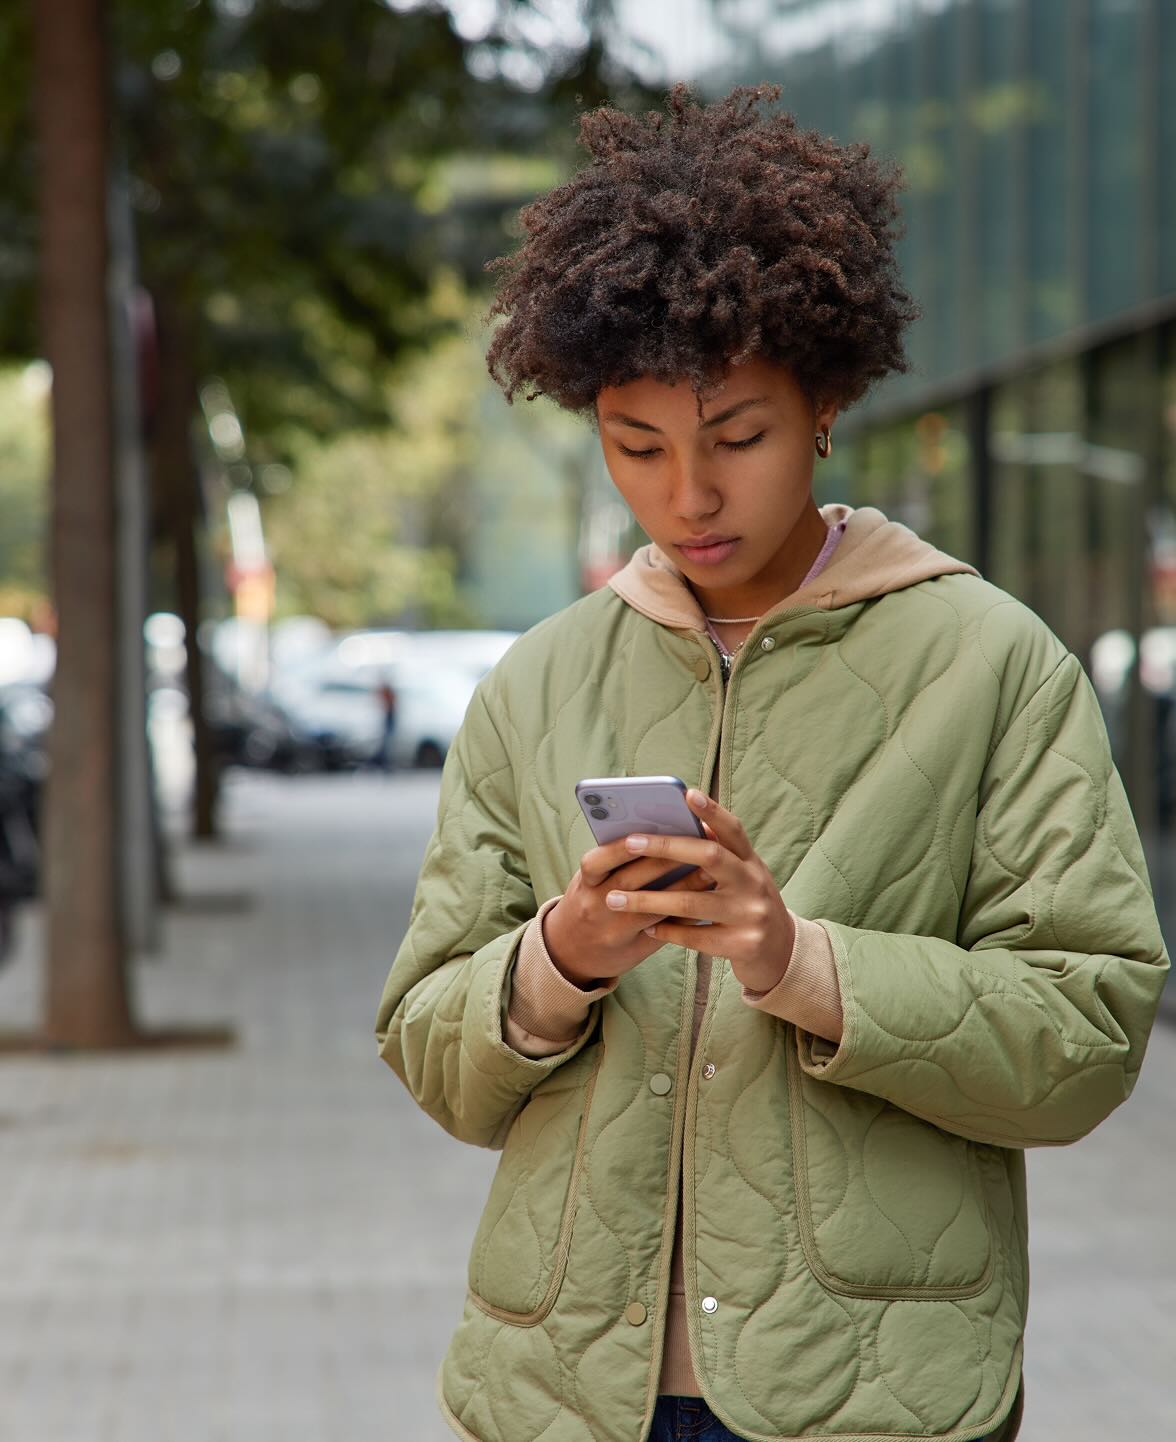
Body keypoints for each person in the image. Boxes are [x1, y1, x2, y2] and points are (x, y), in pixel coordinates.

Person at [375, 85, 1169, 1442]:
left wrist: (797, 959)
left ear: (827, 403)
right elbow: (431, 1049)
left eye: (735, 437)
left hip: (875, 1398)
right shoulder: (540, 680)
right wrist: (558, 953)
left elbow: (1089, 1031)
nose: (688, 495)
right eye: (638, 447)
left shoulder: (992, 663)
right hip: (564, 1394)